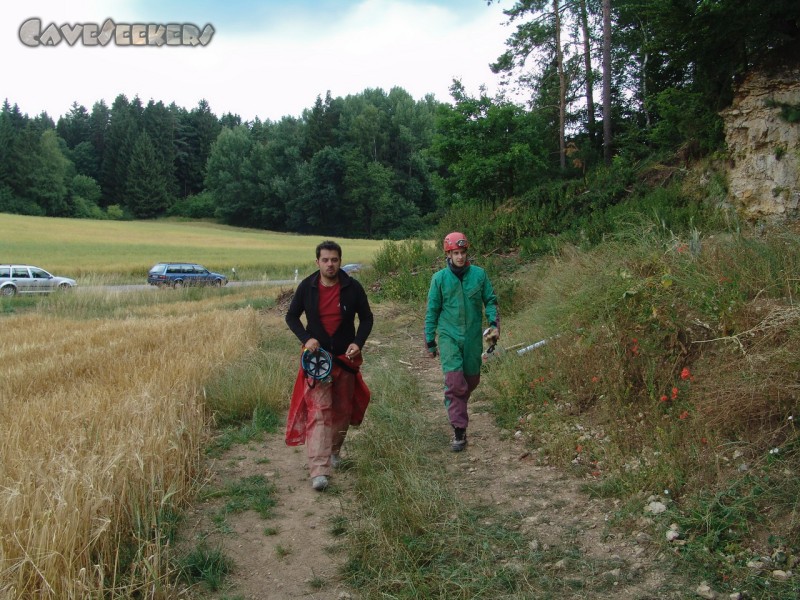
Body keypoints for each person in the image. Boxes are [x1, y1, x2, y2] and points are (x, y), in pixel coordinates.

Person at [285, 240, 374, 491]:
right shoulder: (307, 287)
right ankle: (319, 470)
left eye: (334, 260)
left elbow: (366, 318)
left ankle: (334, 451)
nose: (330, 264)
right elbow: (291, 316)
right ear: (317, 262)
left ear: (340, 261)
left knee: (342, 410)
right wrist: (306, 339)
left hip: (346, 360)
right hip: (318, 362)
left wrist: (358, 342)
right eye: (325, 260)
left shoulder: (353, 288)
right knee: (319, 412)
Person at [425, 232, 499, 452]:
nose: (459, 257)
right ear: (448, 254)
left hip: (473, 337)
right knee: (456, 382)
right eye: (455, 253)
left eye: (463, 253)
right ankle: (459, 430)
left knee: (471, 380)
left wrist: (494, 324)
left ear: (467, 253)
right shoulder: (439, 279)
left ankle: (455, 401)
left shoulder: (479, 275)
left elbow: (491, 300)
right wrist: (430, 340)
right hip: (448, 336)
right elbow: (432, 311)